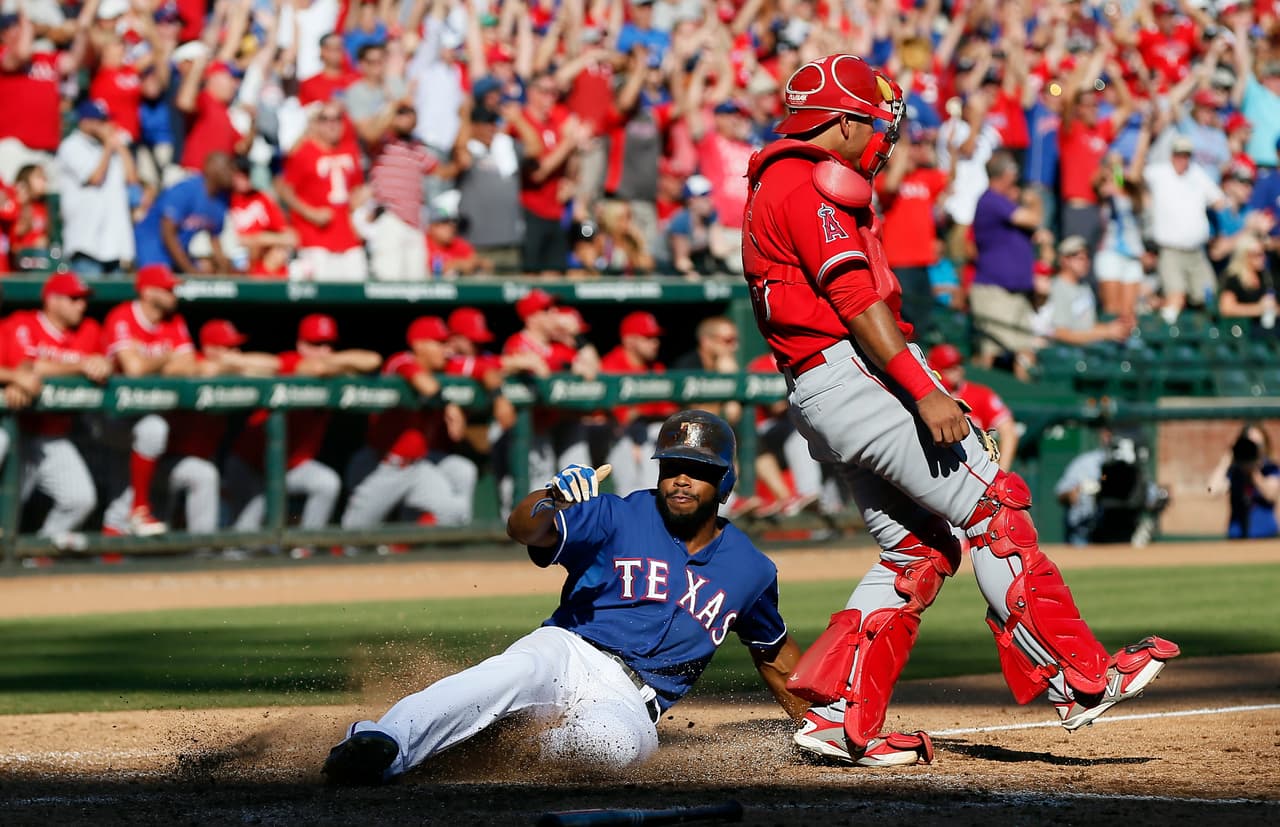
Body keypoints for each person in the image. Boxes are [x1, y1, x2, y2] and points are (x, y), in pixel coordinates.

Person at [740, 54, 1179, 768]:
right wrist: (924, 389)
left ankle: (841, 718)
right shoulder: (805, 180)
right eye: (874, 124)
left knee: (918, 550)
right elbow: (854, 298)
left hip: (819, 387)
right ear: (842, 122)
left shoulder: (775, 178)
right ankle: (1079, 676)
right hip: (852, 373)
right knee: (994, 510)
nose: (882, 138)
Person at [321, 410, 806, 785]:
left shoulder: (750, 570)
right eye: (672, 466)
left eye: (697, 470)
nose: (681, 478)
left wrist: (819, 722)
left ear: (724, 482)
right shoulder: (616, 514)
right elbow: (525, 529)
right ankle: (382, 742)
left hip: (630, 700)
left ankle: (501, 748)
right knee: (506, 674)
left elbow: (775, 655)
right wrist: (550, 498)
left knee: (609, 749)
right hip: (568, 648)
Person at [227, 314, 381, 535]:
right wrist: (339, 364)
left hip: (292, 466)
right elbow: (315, 369)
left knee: (326, 483)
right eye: (316, 344)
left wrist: (334, 362)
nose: (324, 350)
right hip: (251, 465)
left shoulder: (335, 368)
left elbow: (373, 360)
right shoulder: (290, 360)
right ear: (301, 345)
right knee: (246, 535)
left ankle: (306, 545)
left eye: (328, 344)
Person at [341, 316, 478, 530]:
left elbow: (480, 368)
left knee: (454, 512)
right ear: (419, 345)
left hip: (417, 467)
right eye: (440, 343)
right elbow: (425, 385)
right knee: (353, 536)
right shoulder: (400, 361)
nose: (447, 350)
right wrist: (450, 407)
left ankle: (400, 545)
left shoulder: (443, 369)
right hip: (383, 466)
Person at [100, 264, 206, 537]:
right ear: (147, 292)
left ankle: (117, 546)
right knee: (153, 429)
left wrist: (151, 361)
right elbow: (133, 369)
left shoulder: (174, 321)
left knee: (120, 498)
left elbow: (190, 365)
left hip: (143, 416)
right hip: (110, 417)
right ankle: (139, 510)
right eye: (167, 289)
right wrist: (167, 358)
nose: (173, 294)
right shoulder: (123, 315)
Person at [0, 273, 106, 543]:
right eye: (74, 299)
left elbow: (105, 363)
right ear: (52, 300)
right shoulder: (23, 323)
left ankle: (37, 557)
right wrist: (80, 366)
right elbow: (26, 367)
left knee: (80, 499)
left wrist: (102, 365)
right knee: (9, 504)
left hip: (52, 435)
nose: (81, 305)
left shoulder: (89, 329)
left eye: (83, 299)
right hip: (16, 430)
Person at [1145, 135, 1226, 324]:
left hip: (1196, 252)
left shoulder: (1197, 174)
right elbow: (1132, 180)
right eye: (1179, 154)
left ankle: (1204, 334)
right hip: (1170, 250)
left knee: (1208, 296)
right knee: (1176, 297)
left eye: (1186, 155)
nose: (1182, 159)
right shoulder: (1159, 173)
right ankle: (1162, 328)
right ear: (1172, 155)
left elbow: (1219, 201)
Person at [54, 99, 137, 276]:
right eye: (100, 121)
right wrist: (108, 145)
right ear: (85, 122)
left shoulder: (111, 146)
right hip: (86, 242)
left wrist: (119, 146)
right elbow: (94, 178)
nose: (105, 125)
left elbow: (132, 178)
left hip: (113, 242)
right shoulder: (71, 146)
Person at [600, 311, 679, 497]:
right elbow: (620, 418)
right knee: (627, 442)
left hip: (644, 436)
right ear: (629, 340)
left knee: (658, 432)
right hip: (611, 438)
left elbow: (668, 410)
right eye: (648, 337)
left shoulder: (656, 368)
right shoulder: (611, 365)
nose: (655, 343)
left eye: (655, 337)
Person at [1055, 428, 1170, 548]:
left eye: (1112, 434)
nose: (1109, 437)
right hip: (1084, 534)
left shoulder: (1132, 466)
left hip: (1122, 531)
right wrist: (1078, 491)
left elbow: (1154, 497)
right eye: (1106, 433)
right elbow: (1062, 493)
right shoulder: (1086, 463)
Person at [134, 151, 235, 274]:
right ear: (211, 168)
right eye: (227, 168)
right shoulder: (186, 190)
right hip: (152, 247)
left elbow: (215, 239)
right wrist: (190, 271)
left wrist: (225, 271)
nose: (232, 173)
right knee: (159, 282)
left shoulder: (220, 200)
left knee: (207, 267)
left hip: (177, 253)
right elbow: (167, 233)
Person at [926, 345, 1018, 473]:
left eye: (958, 364)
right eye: (949, 367)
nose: (957, 370)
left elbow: (1009, 432)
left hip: (976, 470)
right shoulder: (927, 399)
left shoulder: (980, 394)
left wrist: (1001, 472)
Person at [1209, 423, 1280, 540]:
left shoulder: (1270, 468)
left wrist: (1253, 471)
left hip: (1266, 536)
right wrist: (1227, 460)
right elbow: (1211, 491)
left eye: (1258, 444)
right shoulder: (1234, 471)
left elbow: (1271, 494)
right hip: (1237, 537)